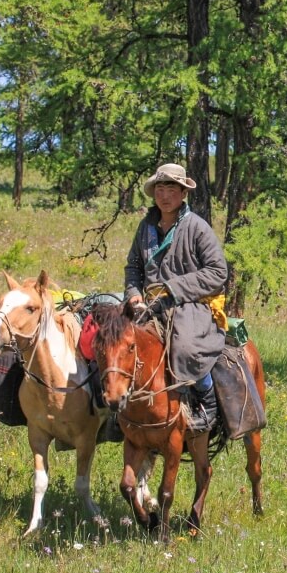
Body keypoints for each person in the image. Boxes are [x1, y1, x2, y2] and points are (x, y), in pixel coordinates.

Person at [124, 162, 227, 431]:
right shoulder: (145, 226)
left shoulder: (197, 227)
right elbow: (133, 266)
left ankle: (206, 401)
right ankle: (118, 409)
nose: (165, 195)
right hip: (148, 305)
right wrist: (134, 295)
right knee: (113, 340)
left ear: (183, 193)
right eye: (160, 188)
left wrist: (174, 288)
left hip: (190, 303)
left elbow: (218, 272)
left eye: (171, 188)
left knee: (186, 346)